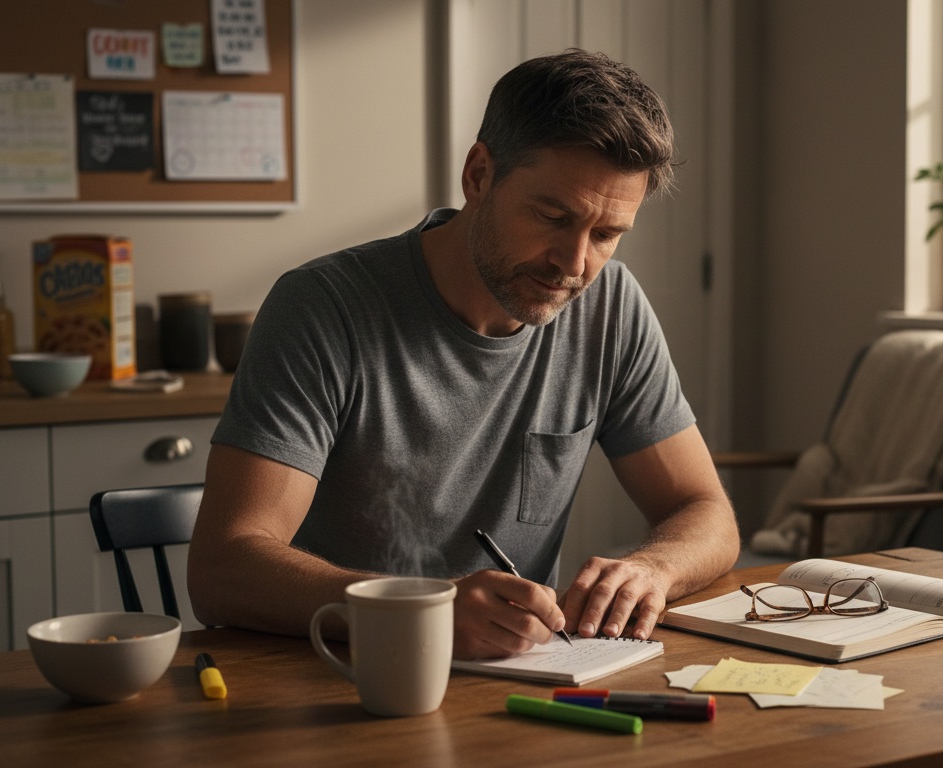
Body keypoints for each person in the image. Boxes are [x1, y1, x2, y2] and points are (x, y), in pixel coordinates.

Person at [187, 49, 740, 660]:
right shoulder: (323, 308)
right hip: (340, 680)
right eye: (553, 216)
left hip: (521, 680)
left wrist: (654, 570)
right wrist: (418, 610)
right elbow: (223, 568)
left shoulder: (610, 307)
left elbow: (704, 510)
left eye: (606, 235)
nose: (575, 264)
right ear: (478, 175)